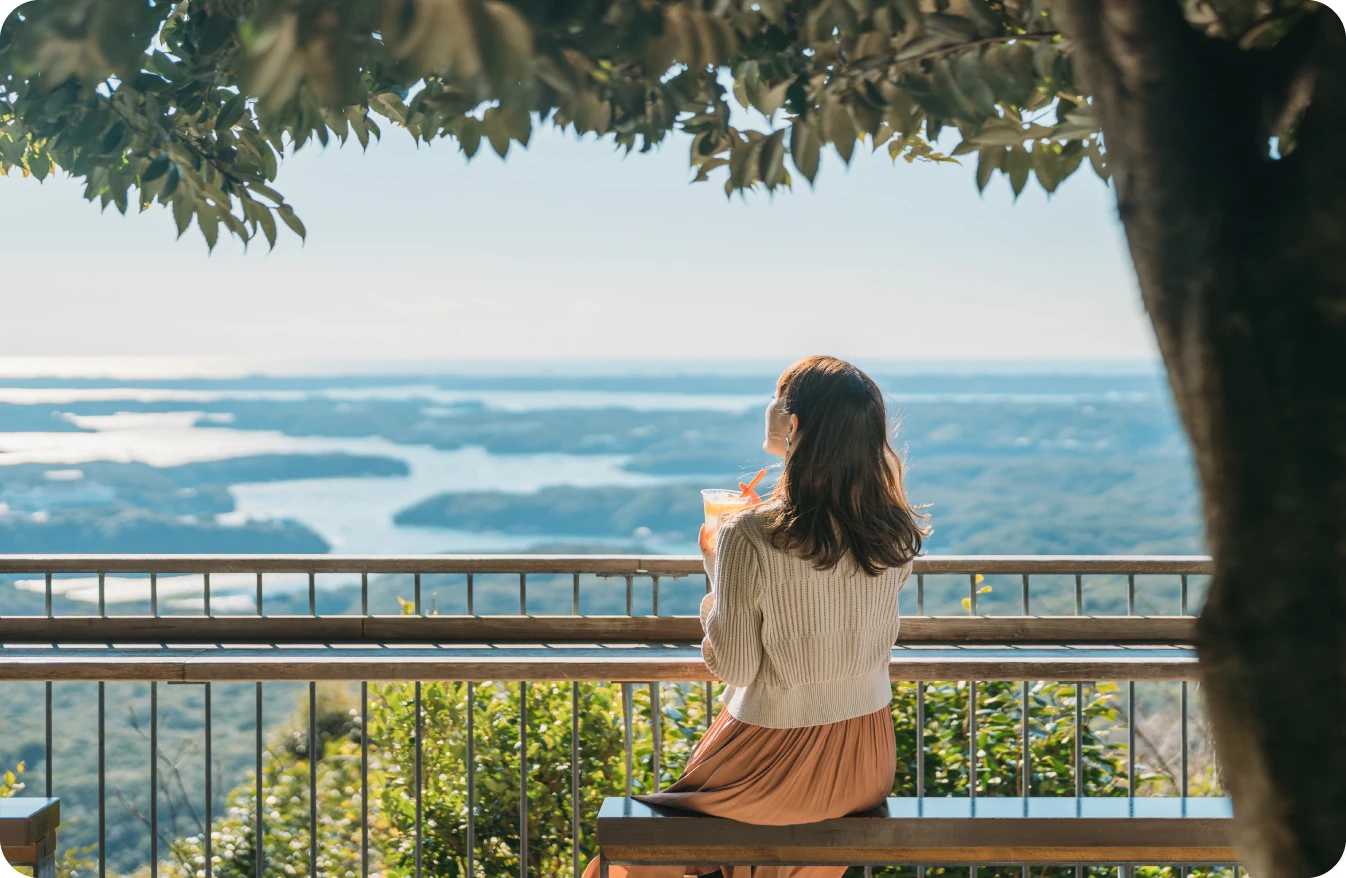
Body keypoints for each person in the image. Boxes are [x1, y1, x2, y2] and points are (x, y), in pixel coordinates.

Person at [584, 355, 929, 878]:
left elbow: (736, 667)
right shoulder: (893, 529)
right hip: (865, 757)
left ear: (791, 424)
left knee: (635, 859)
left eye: (776, 397)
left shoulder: (750, 535)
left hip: (777, 756)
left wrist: (717, 570)